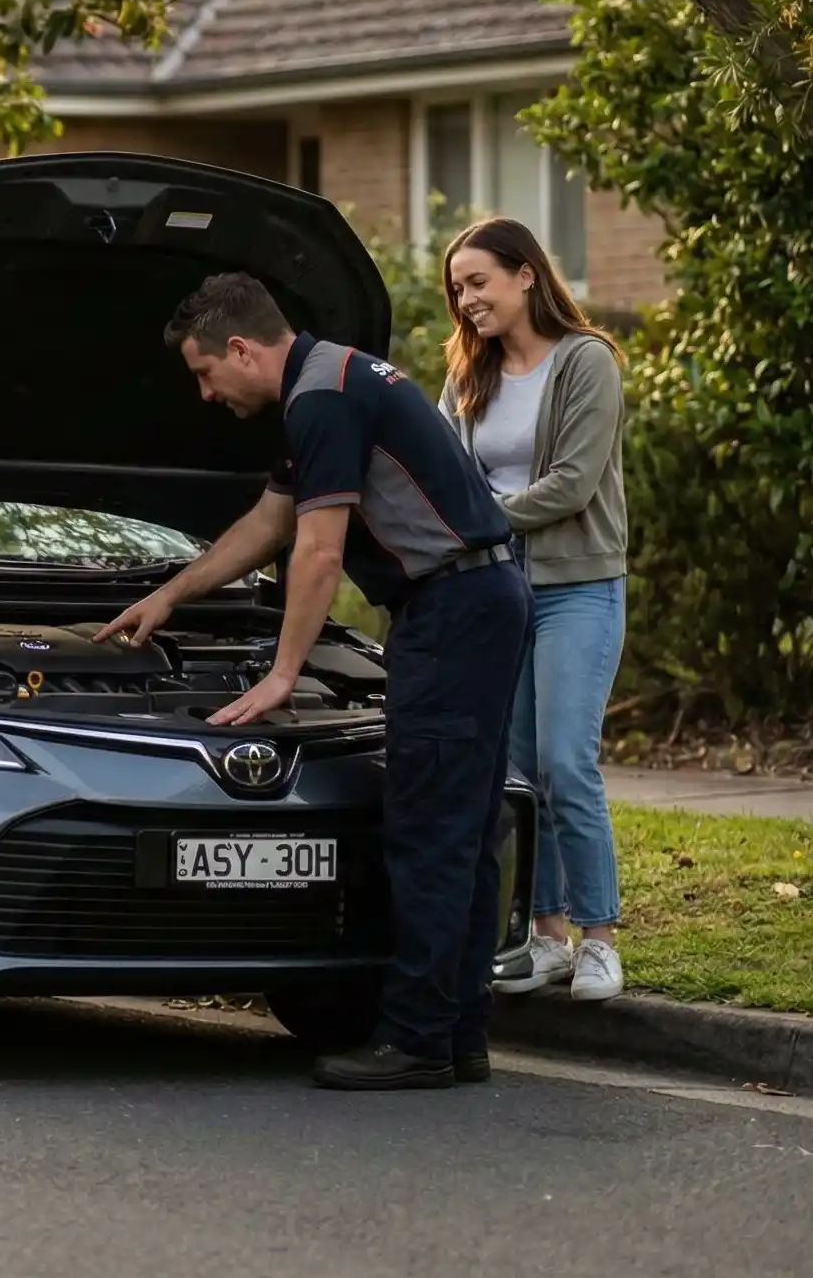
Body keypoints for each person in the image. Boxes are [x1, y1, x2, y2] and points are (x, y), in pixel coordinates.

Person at [97, 272, 532, 1091]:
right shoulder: (328, 377)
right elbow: (270, 522)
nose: (204, 394)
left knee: (430, 829)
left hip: (453, 610)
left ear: (240, 349)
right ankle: (456, 1034)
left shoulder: (320, 398)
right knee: (463, 830)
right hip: (478, 598)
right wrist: (169, 594)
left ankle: (415, 1041)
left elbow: (319, 549)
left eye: (203, 374)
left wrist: (282, 674)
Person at [435, 218, 631, 1003]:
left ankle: (600, 939)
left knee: (565, 764)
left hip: (578, 587)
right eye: (457, 289)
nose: (467, 299)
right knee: (516, 771)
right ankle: (545, 937)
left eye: (478, 281)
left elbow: (573, 485)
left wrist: (471, 519)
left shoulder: (587, 363)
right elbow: (443, 472)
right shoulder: (467, 375)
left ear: (525, 275)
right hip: (499, 589)